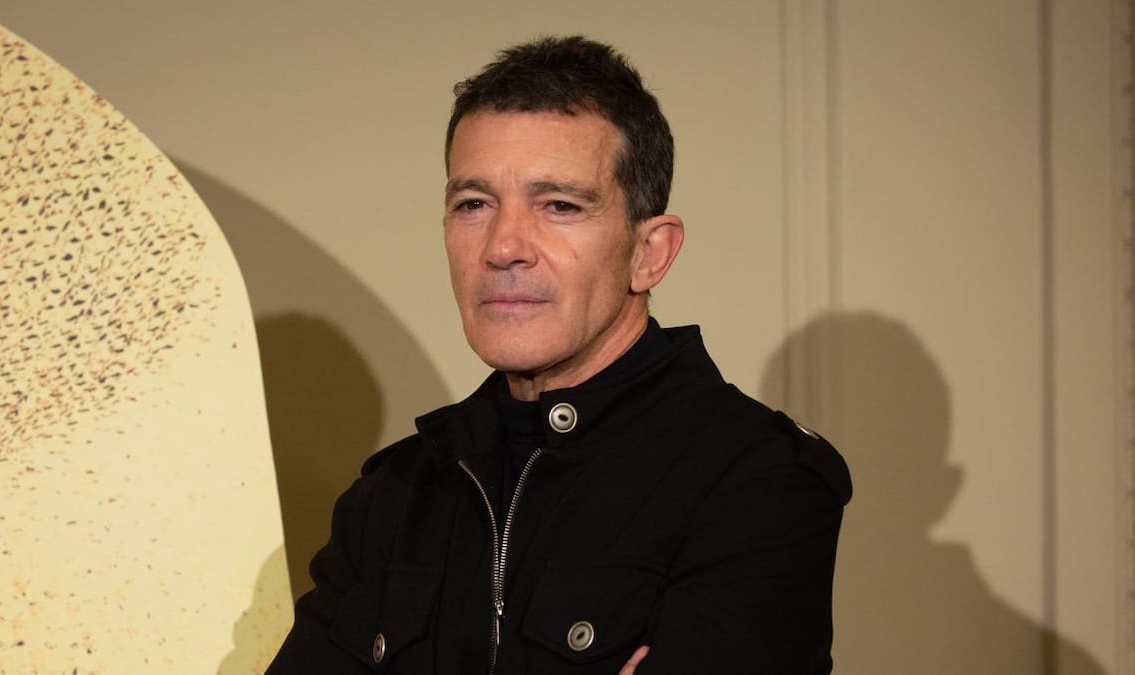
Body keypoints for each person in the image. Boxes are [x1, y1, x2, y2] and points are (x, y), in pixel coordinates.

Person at [267, 35, 851, 674]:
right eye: (473, 204)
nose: (503, 247)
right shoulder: (395, 495)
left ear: (649, 253)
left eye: (560, 206)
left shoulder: (756, 479)